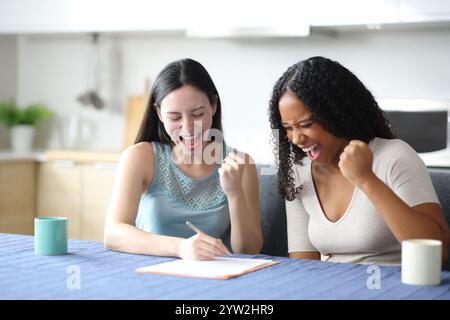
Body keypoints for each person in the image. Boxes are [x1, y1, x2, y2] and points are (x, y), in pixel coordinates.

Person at [269, 56, 450, 265]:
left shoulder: (393, 156)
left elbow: (440, 251)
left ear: (336, 113)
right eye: (289, 128)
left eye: (306, 124)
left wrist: (366, 179)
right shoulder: (298, 171)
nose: (297, 138)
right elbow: (303, 265)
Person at [104, 58, 262, 260]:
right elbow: (113, 234)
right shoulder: (140, 157)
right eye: (175, 117)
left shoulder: (240, 163)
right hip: (150, 278)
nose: (188, 128)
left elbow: (249, 250)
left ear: (213, 105)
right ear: (159, 114)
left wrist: (235, 194)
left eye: (197, 114)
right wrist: (180, 247)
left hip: (214, 279)